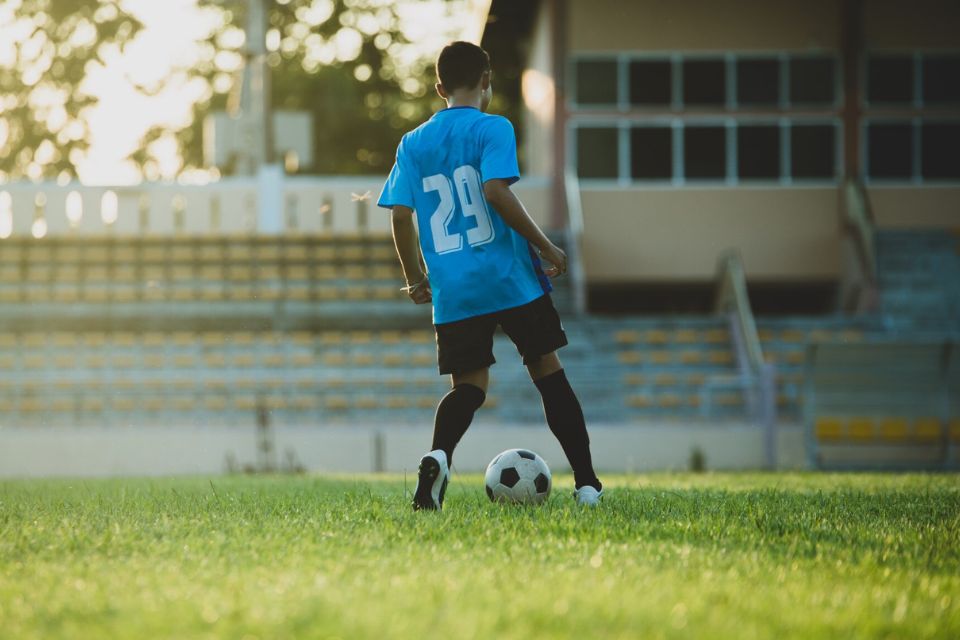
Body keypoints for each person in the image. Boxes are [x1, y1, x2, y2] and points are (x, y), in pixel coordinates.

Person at [377, 41, 602, 511]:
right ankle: (586, 486)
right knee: (548, 373)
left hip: (455, 289)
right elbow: (495, 190)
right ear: (486, 80)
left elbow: (399, 216)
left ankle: (438, 455)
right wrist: (545, 244)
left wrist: (416, 278)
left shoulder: (412, 143)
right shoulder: (493, 127)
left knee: (469, 388)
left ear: (438, 87)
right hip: (510, 277)